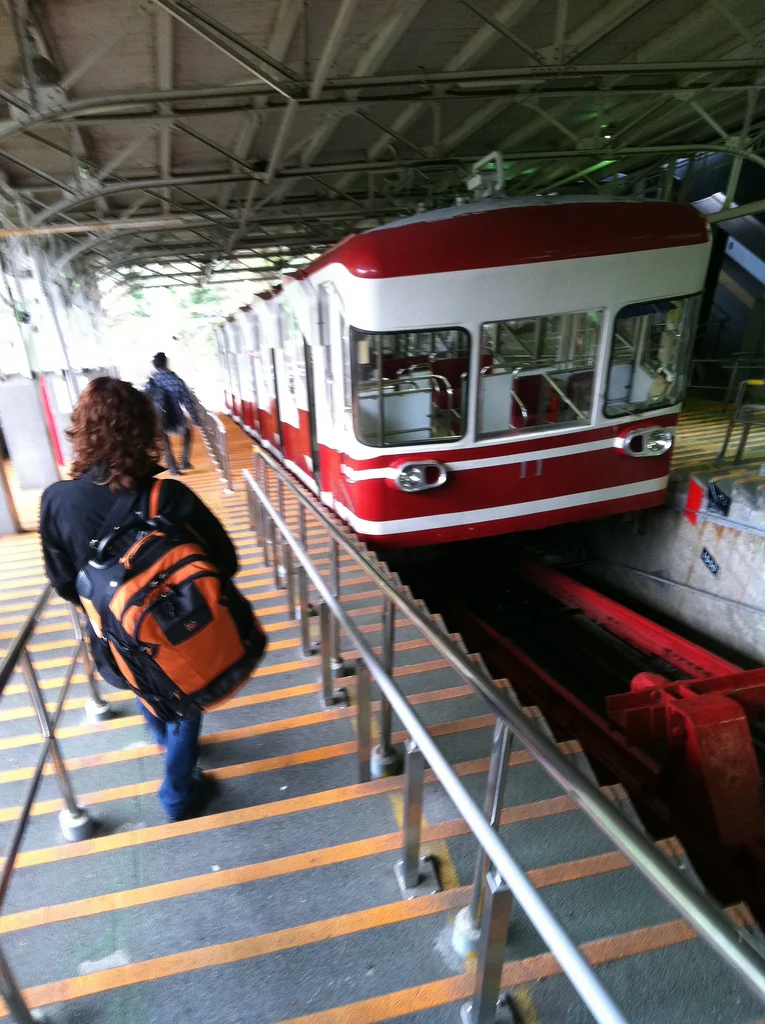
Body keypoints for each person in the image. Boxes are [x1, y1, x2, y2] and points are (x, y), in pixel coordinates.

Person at [39, 377, 239, 821]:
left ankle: (164, 740)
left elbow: (62, 582)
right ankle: (177, 792)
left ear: (81, 431)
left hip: (110, 638)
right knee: (182, 694)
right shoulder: (168, 494)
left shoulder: (56, 500)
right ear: (144, 428)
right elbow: (225, 559)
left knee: (142, 682)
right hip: (177, 630)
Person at [145, 351, 200, 476]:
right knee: (188, 432)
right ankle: (184, 462)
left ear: (155, 366)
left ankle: (173, 470)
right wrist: (195, 421)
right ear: (166, 363)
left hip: (159, 419)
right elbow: (187, 403)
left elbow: (145, 402)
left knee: (165, 443)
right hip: (176, 419)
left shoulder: (151, 383)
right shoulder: (176, 380)